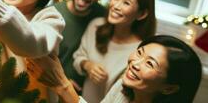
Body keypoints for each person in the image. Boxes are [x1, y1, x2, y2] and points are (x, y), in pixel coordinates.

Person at [27, 35, 202, 103]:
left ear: (169, 88)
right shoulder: (124, 88)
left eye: (150, 63)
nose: (135, 63)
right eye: (139, 52)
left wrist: (63, 86)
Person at [73, 0, 156, 102]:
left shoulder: (141, 52)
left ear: (142, 14)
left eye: (126, 3)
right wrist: (87, 65)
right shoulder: (95, 26)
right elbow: (78, 57)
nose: (116, 6)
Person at [54, 0, 110, 91]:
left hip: (89, 91)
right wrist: (62, 82)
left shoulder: (103, 17)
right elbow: (39, 59)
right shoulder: (52, 15)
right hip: (55, 88)